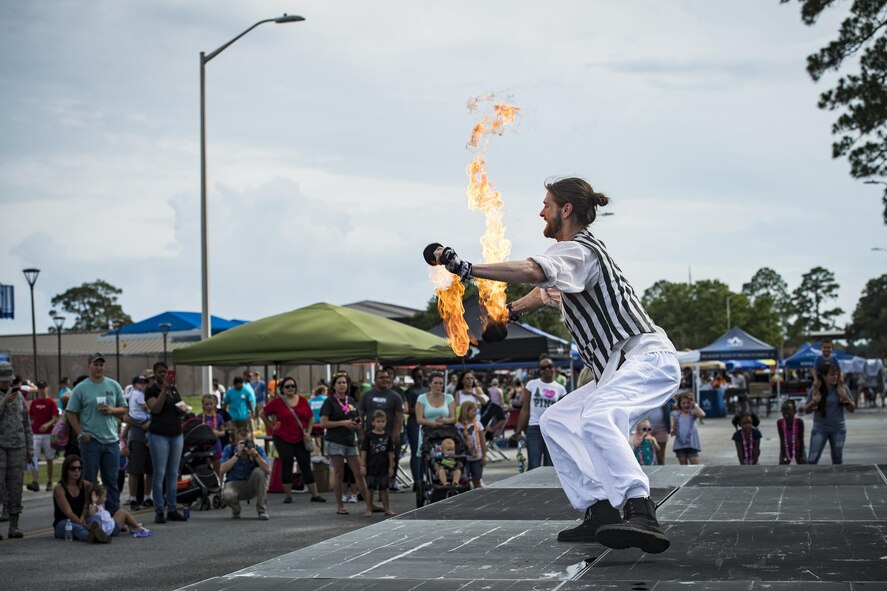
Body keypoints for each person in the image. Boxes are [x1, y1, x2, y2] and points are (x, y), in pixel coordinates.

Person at [433, 177, 681, 552]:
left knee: (598, 415)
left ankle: (641, 509)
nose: (541, 211)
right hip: (617, 368)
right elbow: (544, 290)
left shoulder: (580, 251)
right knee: (555, 419)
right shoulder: (571, 262)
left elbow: (534, 271)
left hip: (645, 358)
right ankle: (599, 509)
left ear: (566, 210)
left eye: (546, 204)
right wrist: (510, 313)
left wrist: (466, 268)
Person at [65, 353, 127, 517]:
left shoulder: (113, 385)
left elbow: (124, 409)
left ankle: (114, 516)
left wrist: (111, 410)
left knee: (111, 481)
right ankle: (89, 515)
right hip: (90, 441)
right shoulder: (81, 388)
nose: (99, 367)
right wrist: (80, 433)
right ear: (89, 366)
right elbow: (71, 413)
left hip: (111, 440)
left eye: (101, 365)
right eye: (95, 364)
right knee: (89, 481)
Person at [260, 377, 326, 504]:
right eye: (287, 386)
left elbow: (311, 418)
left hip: (301, 438)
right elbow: (262, 413)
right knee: (287, 464)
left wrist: (308, 432)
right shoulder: (277, 401)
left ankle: (315, 494)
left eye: (292, 386)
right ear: (282, 389)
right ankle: (288, 496)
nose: (290, 388)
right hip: (282, 437)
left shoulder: (302, 400)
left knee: (305, 465)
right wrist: (272, 425)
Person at [320, 372, 375, 516]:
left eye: (344, 382)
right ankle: (340, 505)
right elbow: (323, 423)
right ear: (333, 386)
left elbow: (356, 417)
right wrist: (343, 423)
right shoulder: (329, 401)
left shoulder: (350, 401)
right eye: (339, 382)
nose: (342, 385)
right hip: (335, 440)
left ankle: (370, 504)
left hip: (350, 440)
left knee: (359, 473)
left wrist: (358, 423)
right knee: (339, 473)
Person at [144, 362, 187, 524]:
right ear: (154, 374)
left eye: (165, 372)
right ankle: (159, 510)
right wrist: (163, 390)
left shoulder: (174, 390)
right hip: (159, 435)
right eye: (160, 372)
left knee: (173, 473)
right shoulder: (151, 390)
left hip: (176, 434)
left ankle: (172, 508)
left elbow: (179, 405)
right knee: (159, 472)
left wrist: (183, 409)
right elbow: (155, 408)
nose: (164, 375)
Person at [0, 361, 33, 539]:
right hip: (0, 447)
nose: (6, 383)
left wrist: (30, 447)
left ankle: (14, 525)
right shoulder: (5, 398)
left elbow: (26, 423)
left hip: (17, 447)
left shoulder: (19, 396)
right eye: (3, 380)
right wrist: (3, 402)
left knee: (15, 486)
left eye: (8, 380)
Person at [516, 359, 568, 470]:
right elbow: (525, 409)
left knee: (550, 466)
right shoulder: (532, 384)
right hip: (535, 427)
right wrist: (518, 430)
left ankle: (548, 488)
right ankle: (531, 487)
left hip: (551, 429)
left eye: (549, 366)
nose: (547, 369)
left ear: (554, 368)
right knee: (534, 465)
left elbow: (562, 414)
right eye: (543, 368)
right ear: (539, 371)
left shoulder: (560, 389)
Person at [804, 361, 855, 464]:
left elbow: (852, 409)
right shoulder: (816, 389)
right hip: (820, 429)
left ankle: (837, 480)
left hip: (838, 429)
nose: (835, 377)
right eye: (832, 375)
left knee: (837, 459)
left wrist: (845, 398)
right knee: (812, 459)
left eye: (836, 374)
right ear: (824, 376)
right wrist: (814, 402)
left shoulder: (843, 388)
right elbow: (806, 410)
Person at [52, 454, 110, 543]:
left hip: (83, 518)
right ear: (66, 470)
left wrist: (83, 517)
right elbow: (68, 512)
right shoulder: (59, 489)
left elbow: (87, 505)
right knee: (79, 529)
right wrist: (82, 524)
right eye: (73, 468)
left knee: (96, 519)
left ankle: (96, 535)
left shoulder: (86, 485)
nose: (76, 471)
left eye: (79, 468)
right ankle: (95, 537)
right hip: (64, 522)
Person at [220, 425, 272, 520]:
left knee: (259, 471)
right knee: (227, 495)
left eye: (247, 441)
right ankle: (236, 510)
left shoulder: (258, 449)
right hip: (234, 484)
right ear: (236, 442)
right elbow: (222, 469)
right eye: (242, 443)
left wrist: (256, 455)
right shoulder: (229, 449)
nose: (245, 446)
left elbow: (268, 470)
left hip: (250, 484)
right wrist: (237, 455)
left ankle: (262, 511)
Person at [359, 410, 396, 517]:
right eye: (378, 421)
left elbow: (390, 452)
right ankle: (369, 509)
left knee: (384, 489)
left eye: (383, 421)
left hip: (383, 467)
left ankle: (387, 509)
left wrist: (391, 466)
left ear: (386, 422)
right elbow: (364, 451)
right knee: (370, 489)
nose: (380, 423)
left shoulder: (388, 436)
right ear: (373, 422)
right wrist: (362, 465)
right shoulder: (369, 436)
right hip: (371, 467)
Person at [358, 369, 404, 451]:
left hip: (389, 436)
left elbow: (399, 418)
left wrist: (396, 434)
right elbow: (360, 416)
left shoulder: (396, 397)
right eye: (381, 377)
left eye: (387, 377)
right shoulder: (366, 396)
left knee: (391, 462)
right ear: (375, 380)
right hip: (370, 437)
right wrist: (361, 433)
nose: (385, 380)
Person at [28, 379, 61, 492]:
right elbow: (31, 416)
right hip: (36, 433)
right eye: (40, 388)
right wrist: (32, 424)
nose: (42, 390)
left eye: (43, 387)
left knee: (49, 458)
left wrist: (47, 425)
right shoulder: (35, 402)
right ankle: (35, 481)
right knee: (34, 458)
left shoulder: (51, 402)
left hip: (47, 434)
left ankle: (50, 481)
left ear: (47, 388)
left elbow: (55, 417)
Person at [86, 483, 150, 539]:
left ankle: (132, 525)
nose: (106, 498)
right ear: (97, 497)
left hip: (109, 525)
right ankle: (136, 527)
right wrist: (94, 502)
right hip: (110, 529)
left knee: (119, 512)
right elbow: (92, 515)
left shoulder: (99, 505)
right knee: (123, 512)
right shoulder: (93, 506)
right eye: (104, 497)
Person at [403, 367, 428, 490]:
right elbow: (408, 409)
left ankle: (425, 479)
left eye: (420, 376)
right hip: (415, 423)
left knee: (426, 452)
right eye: (416, 377)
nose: (418, 379)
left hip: (428, 423)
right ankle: (417, 481)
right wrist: (420, 411)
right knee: (416, 452)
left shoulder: (428, 390)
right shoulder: (409, 392)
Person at [456, 400, 486, 488]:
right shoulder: (458, 426)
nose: (475, 413)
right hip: (464, 458)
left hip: (477, 457)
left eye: (476, 411)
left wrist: (484, 455)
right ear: (465, 411)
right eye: (473, 410)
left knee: (477, 478)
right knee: (464, 480)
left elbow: (482, 440)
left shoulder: (478, 424)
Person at [197, 394, 227, 480]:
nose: (209, 406)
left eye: (211, 404)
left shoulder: (218, 417)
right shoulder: (199, 417)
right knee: (204, 469)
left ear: (214, 404)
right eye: (206, 404)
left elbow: (223, 432)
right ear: (203, 405)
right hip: (203, 447)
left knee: (218, 468)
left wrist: (217, 433)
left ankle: (219, 486)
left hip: (216, 446)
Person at [671, 392, 705, 465]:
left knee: (695, 466)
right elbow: (674, 427)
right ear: (679, 404)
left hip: (691, 444)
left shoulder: (693, 414)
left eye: (688, 403)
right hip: (680, 444)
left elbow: (702, 414)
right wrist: (673, 431)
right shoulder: (676, 415)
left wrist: (694, 404)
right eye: (683, 403)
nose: (686, 405)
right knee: (683, 467)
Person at [776, 399, 806, 465]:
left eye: (787, 409)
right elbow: (782, 440)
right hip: (786, 448)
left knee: (804, 465)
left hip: (798, 448)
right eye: (783, 410)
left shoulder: (799, 422)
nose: (785, 412)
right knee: (782, 466)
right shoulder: (779, 423)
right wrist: (783, 455)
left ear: (794, 411)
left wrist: (801, 455)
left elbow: (801, 440)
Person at [309, 385, 328, 452]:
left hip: (312, 426)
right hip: (324, 425)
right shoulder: (326, 399)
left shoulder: (310, 401)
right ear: (323, 391)